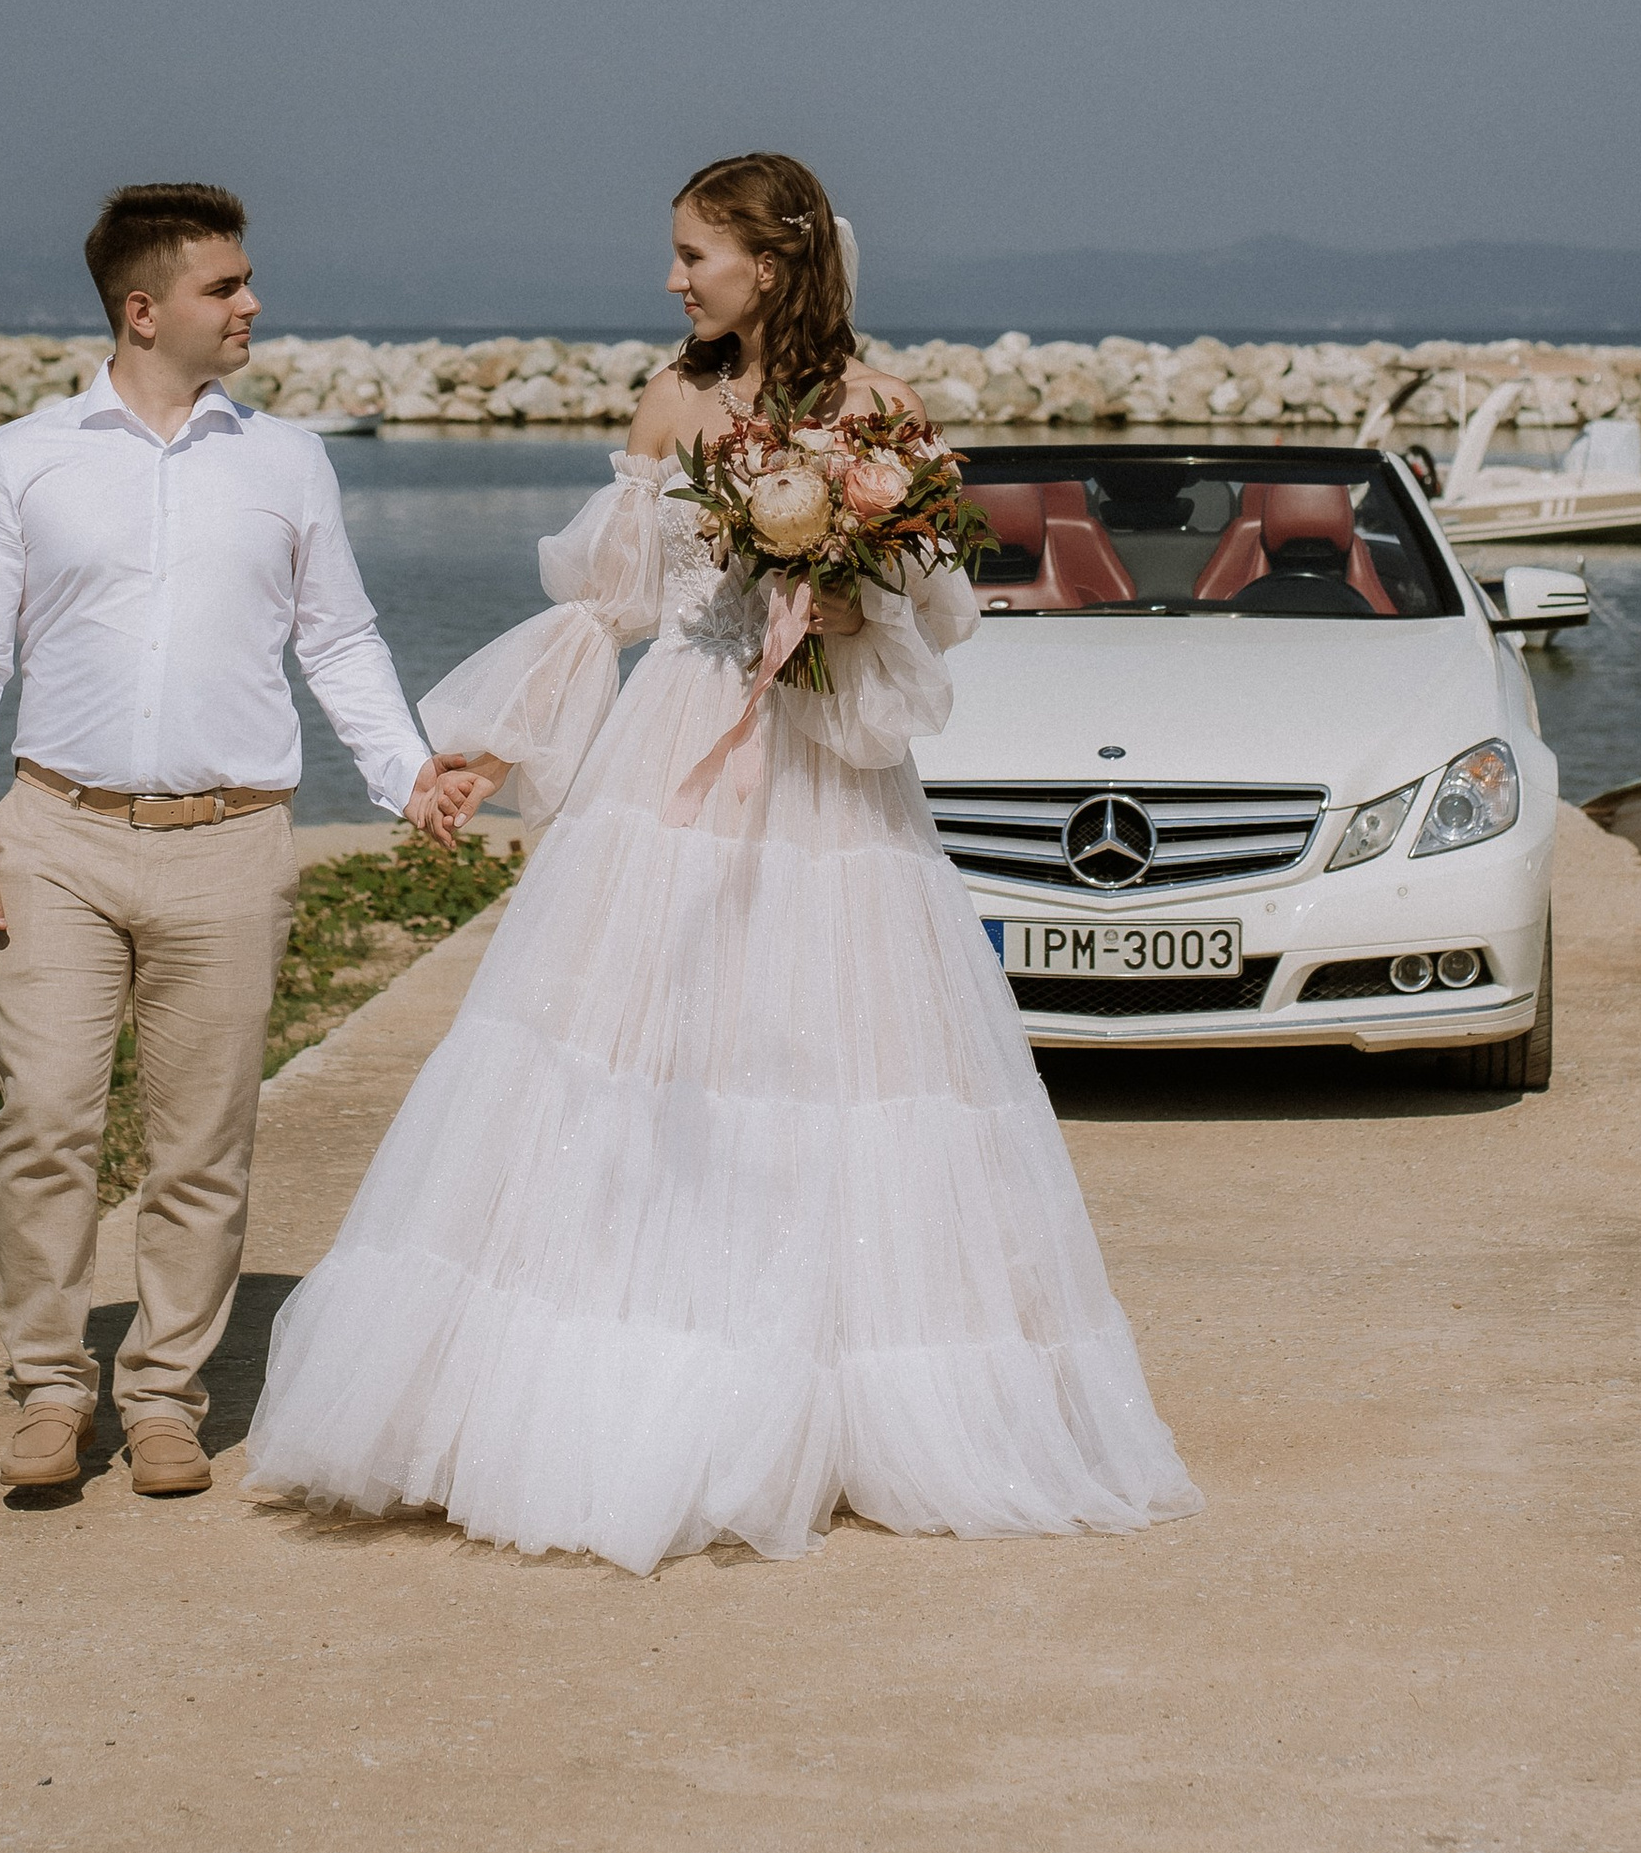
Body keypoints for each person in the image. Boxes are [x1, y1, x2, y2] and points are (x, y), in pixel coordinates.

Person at [243, 149, 1199, 1571]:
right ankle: (608, 1390)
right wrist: (486, 749)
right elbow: (611, 609)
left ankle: (846, 1397)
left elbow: (944, 613)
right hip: (680, 750)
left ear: (776, 260)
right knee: (639, 1058)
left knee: (834, 1061)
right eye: (679, 254)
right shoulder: (673, 400)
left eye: (696, 254)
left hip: (821, 770)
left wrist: (847, 581)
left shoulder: (879, 410)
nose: (674, 279)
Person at [0, 182, 476, 1501]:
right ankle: (53, 1388)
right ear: (144, 307)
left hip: (231, 843)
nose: (252, 304)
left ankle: (165, 1394)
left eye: (246, 281)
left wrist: (406, 778)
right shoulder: (20, 458)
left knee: (202, 1141)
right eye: (227, 285)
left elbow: (337, 640)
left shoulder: (285, 460)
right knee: (43, 1120)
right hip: (53, 833)